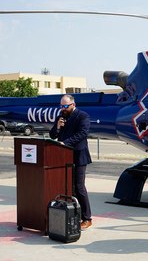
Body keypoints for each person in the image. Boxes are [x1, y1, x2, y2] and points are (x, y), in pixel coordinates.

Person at [49, 94, 92, 230]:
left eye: (65, 106)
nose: (63, 108)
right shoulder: (61, 117)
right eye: (61, 106)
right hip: (64, 157)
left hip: (79, 156)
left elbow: (82, 134)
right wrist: (57, 127)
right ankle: (72, 214)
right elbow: (52, 135)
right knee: (67, 187)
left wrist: (65, 143)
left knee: (79, 187)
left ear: (73, 104)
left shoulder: (82, 116)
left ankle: (87, 218)